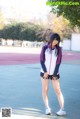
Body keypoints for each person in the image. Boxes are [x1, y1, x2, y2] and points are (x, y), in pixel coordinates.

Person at [40, 33, 66, 116]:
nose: (56, 42)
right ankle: (47, 108)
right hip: (45, 73)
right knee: (45, 90)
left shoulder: (59, 49)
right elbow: (41, 60)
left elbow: (58, 62)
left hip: (55, 73)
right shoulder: (44, 48)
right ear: (51, 39)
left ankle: (62, 109)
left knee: (58, 90)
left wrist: (55, 73)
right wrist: (45, 71)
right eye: (54, 39)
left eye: (57, 40)